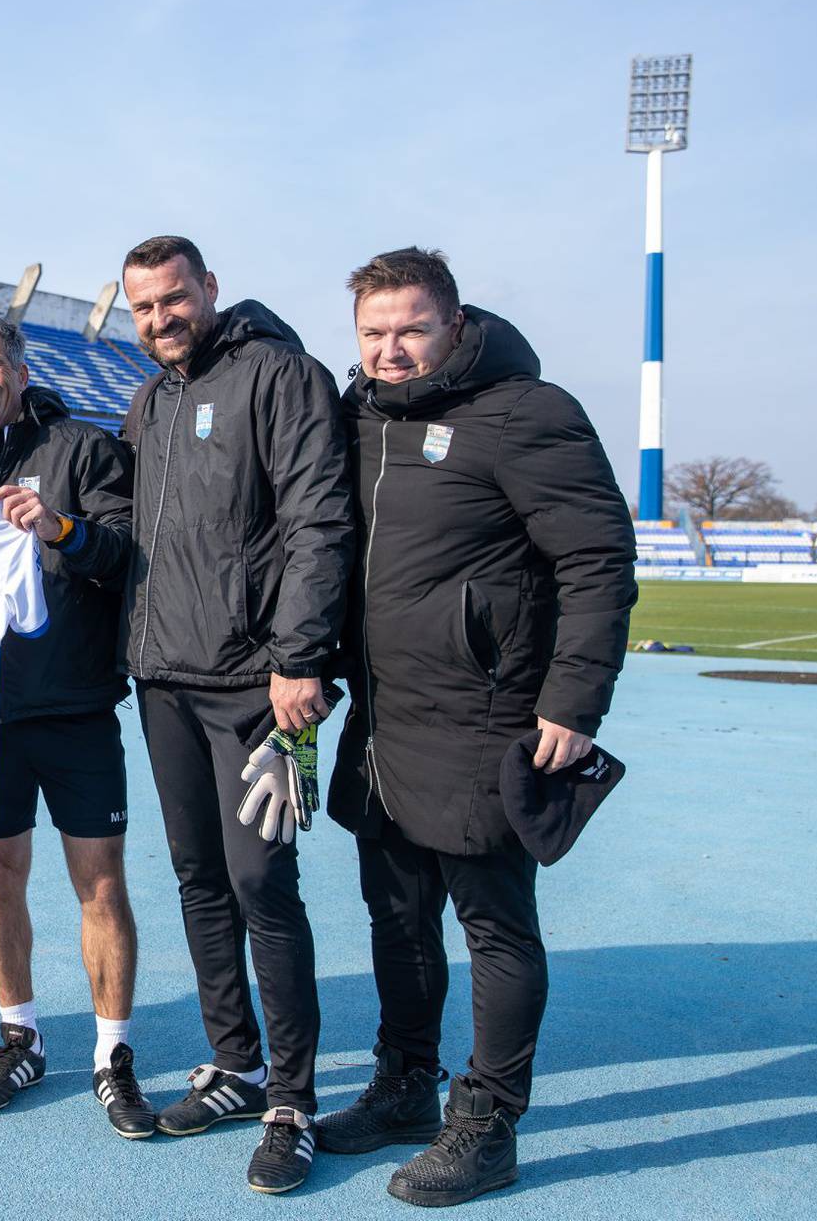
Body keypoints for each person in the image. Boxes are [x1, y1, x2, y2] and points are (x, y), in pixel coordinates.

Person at [318, 247, 636, 1207]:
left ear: (456, 324)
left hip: (487, 718)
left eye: (410, 328)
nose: (391, 349)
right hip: (381, 718)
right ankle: (405, 1086)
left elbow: (598, 563)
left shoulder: (528, 413)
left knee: (494, 928)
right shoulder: (356, 416)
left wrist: (573, 704)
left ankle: (489, 1122)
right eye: (373, 333)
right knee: (397, 918)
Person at [118, 235, 355, 1194]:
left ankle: (293, 1098)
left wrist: (302, 659)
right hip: (164, 681)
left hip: (261, 688)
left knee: (264, 881)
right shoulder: (149, 399)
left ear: (209, 289)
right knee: (198, 877)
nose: (161, 319)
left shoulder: (280, 376)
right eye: (142, 307)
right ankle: (236, 1063)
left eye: (174, 299)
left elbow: (319, 520)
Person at [0, 312, 152, 1138]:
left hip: (78, 705)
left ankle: (112, 1055)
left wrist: (60, 526)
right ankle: (19, 1036)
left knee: (100, 883)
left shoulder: (85, 449)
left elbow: (127, 548)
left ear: (21, 372)